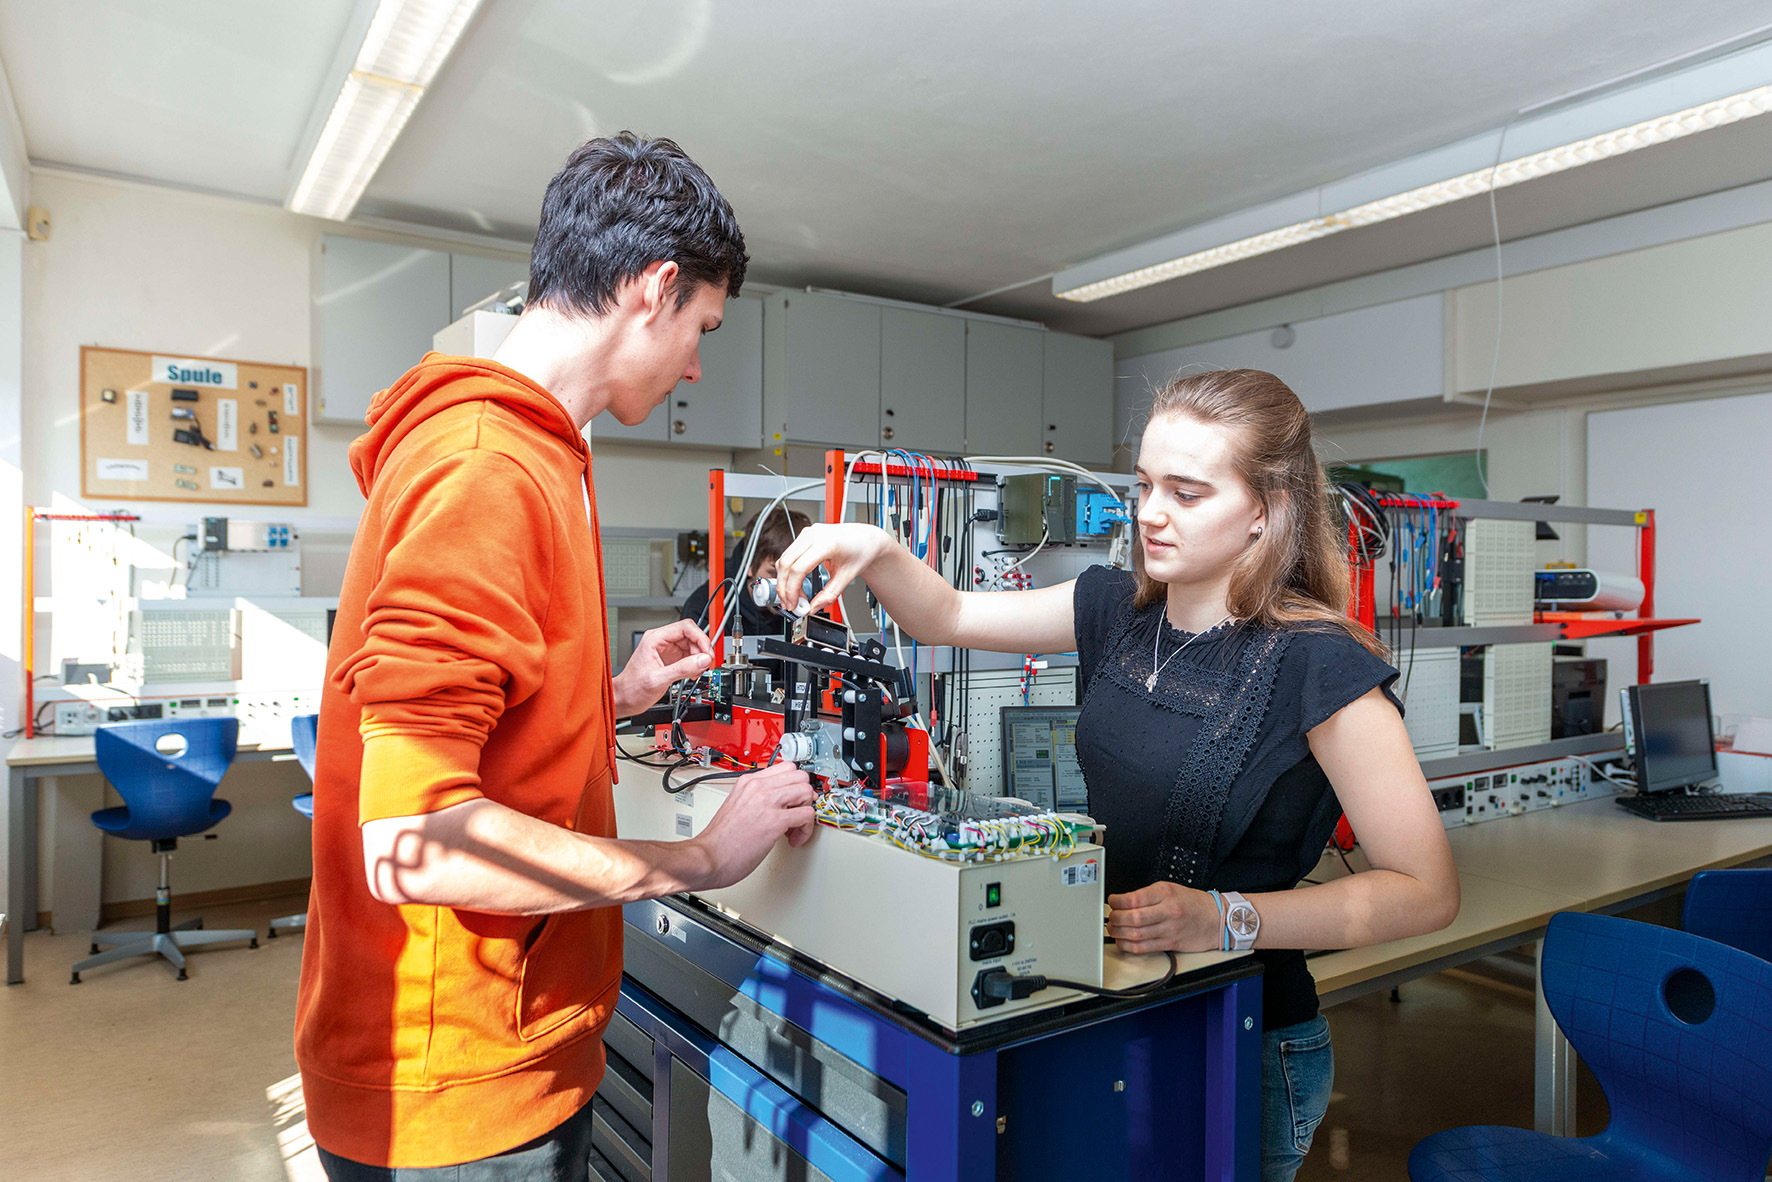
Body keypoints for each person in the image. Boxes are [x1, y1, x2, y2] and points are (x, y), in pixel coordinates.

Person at [774, 368, 1460, 1182]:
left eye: (1186, 493)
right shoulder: (1117, 610)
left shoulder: (1320, 666)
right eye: (1143, 485)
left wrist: (1223, 918)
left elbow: (1426, 891)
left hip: (1242, 1032)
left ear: (1267, 512)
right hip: (1109, 1008)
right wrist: (879, 549)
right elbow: (947, 614)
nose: (1150, 513)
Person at [294, 133, 815, 1180]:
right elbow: (413, 842)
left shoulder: (532, 452)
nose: (695, 364)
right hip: (456, 1085)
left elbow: (483, 734)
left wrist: (613, 694)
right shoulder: (486, 469)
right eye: (702, 328)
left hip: (492, 1051)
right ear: (653, 289)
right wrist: (701, 862)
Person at [679, 505, 814, 636]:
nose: (786, 586)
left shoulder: (807, 605)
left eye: (795, 574)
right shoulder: (704, 610)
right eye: (774, 574)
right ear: (749, 565)